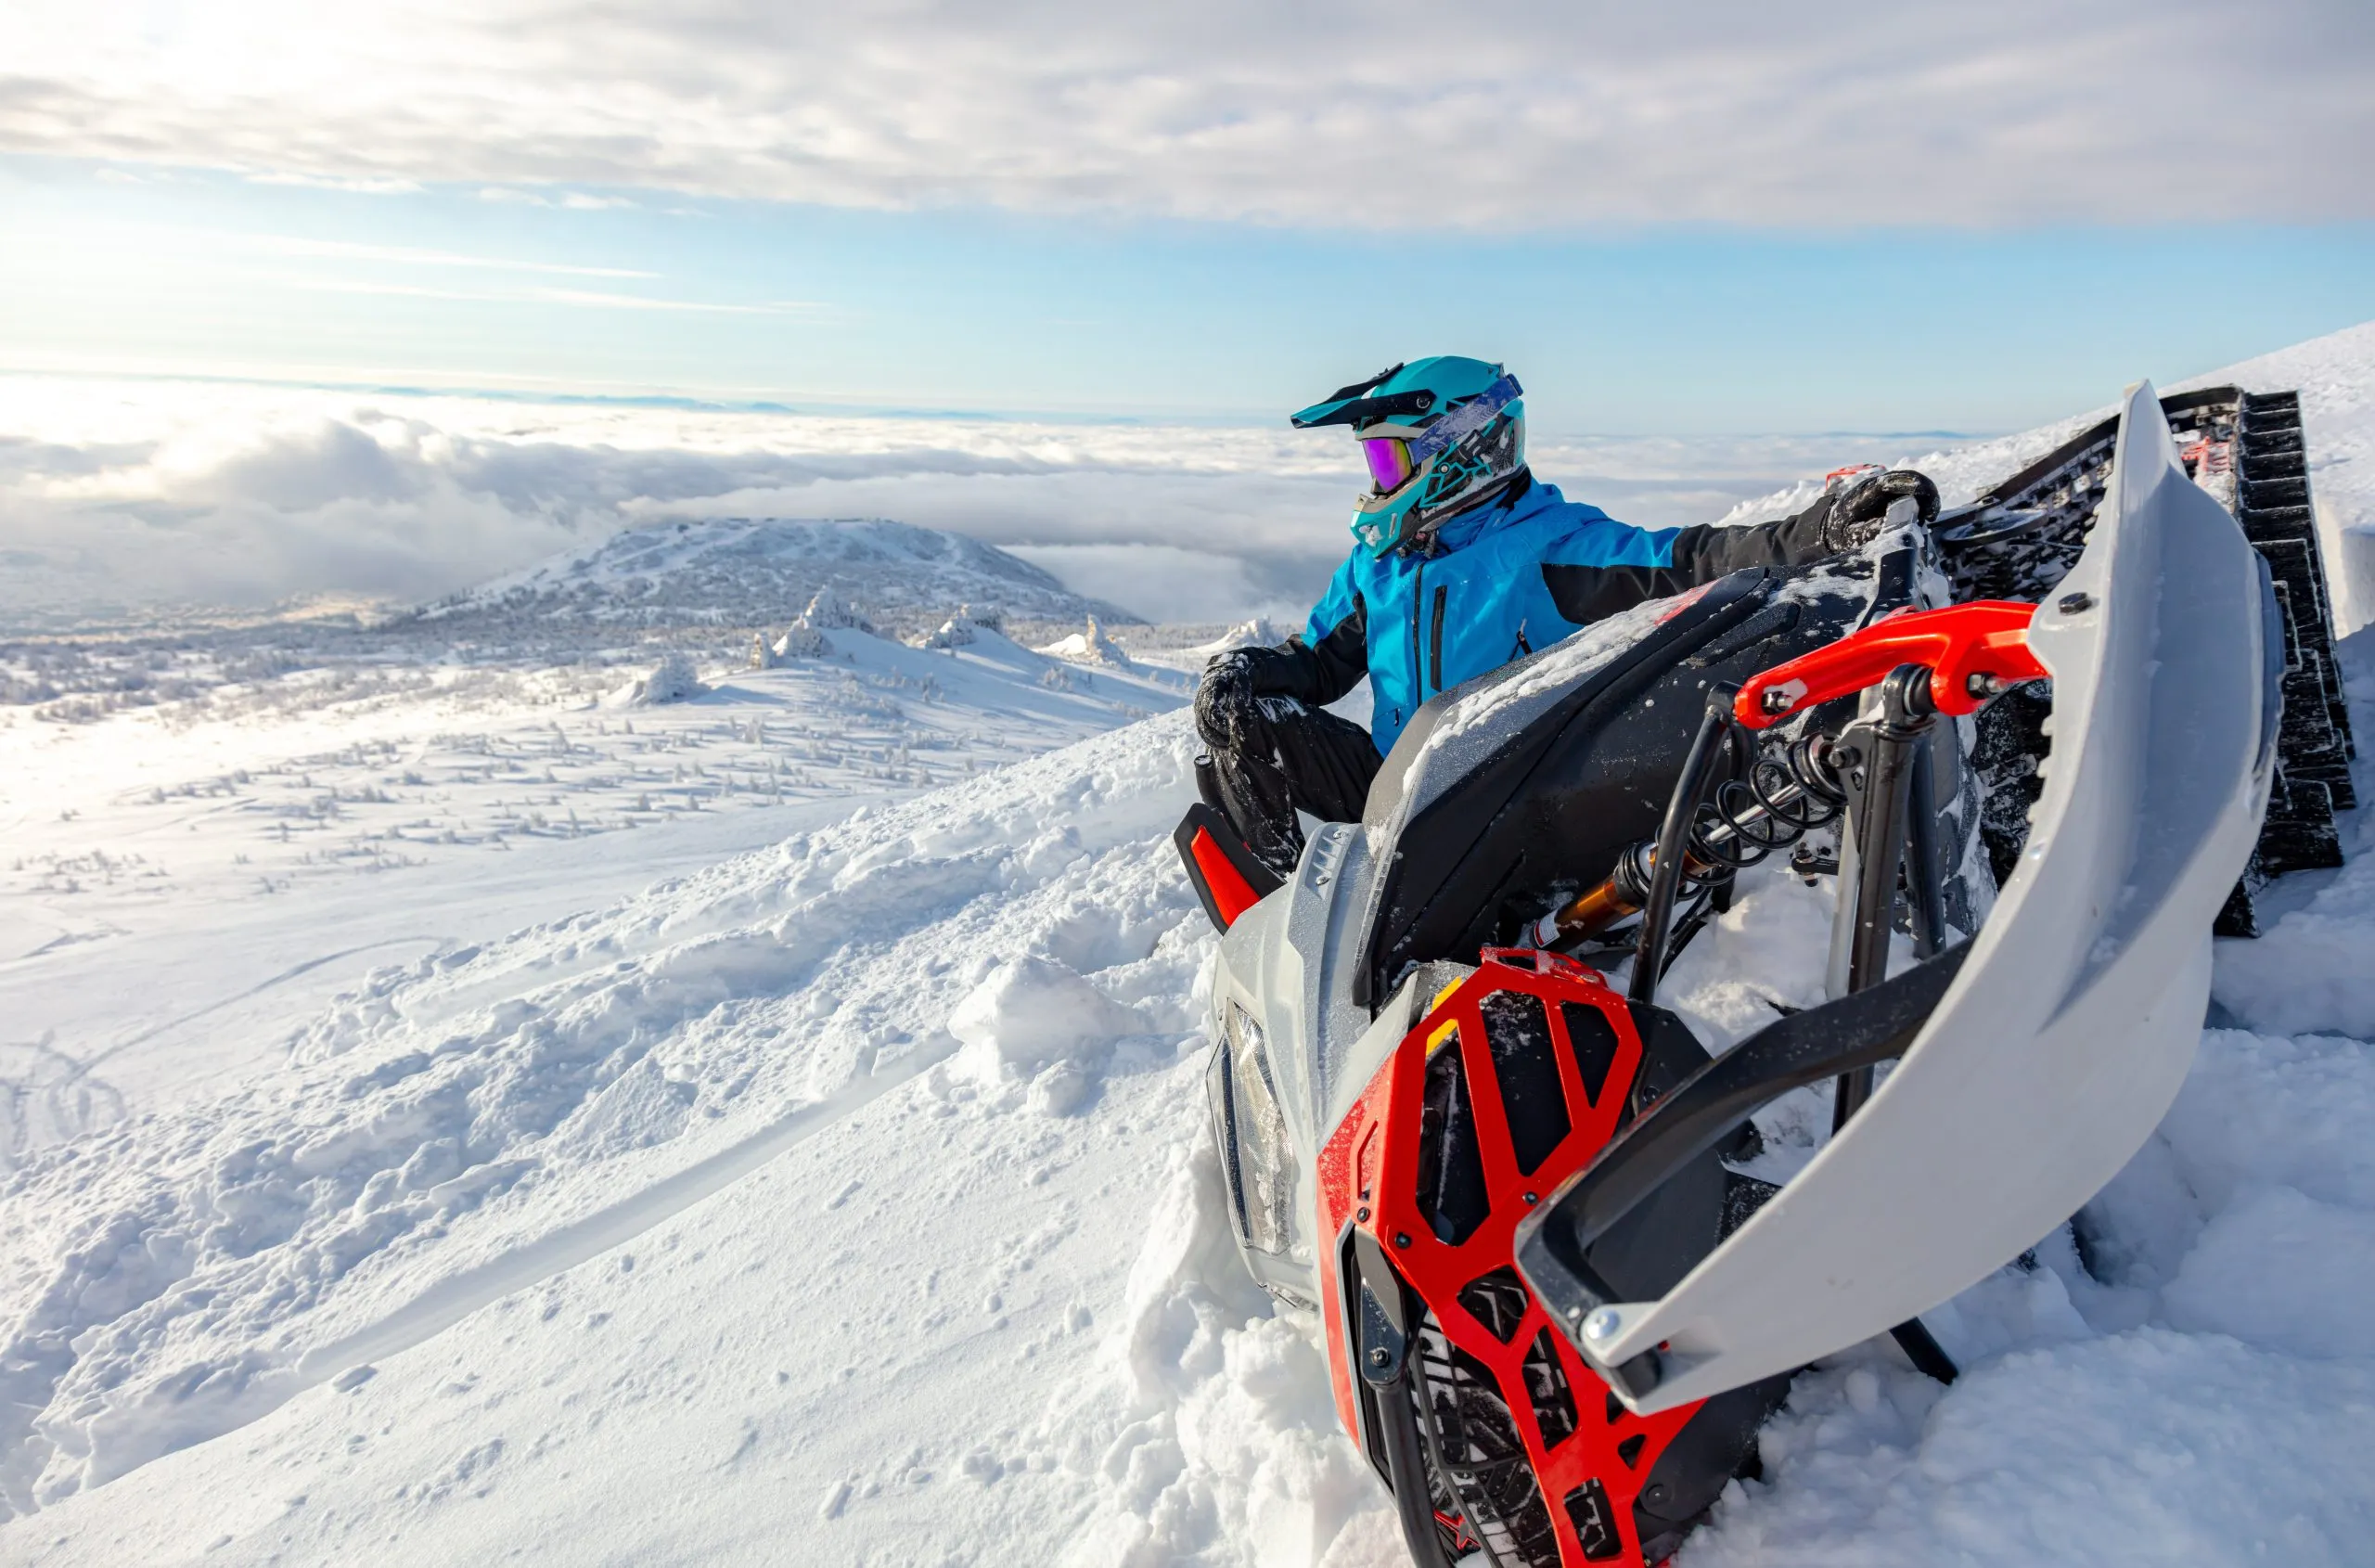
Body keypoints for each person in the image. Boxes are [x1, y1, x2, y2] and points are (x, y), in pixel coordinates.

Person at [1194, 355, 1938, 875]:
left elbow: (1688, 558)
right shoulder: (1379, 565)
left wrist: (1813, 532)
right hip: (1395, 789)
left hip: (1489, 808)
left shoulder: (1548, 547)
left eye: (1390, 463)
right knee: (1237, 721)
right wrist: (1246, 671)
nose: (1378, 483)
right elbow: (1319, 662)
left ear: (1461, 453)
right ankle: (1301, 914)